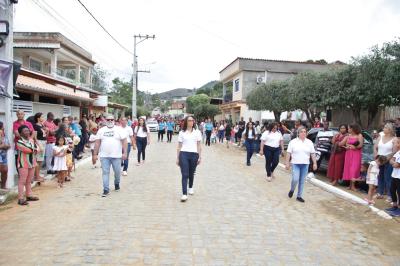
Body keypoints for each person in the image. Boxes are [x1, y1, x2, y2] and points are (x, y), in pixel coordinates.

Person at [93, 114, 127, 197]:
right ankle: (106, 189)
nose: (110, 121)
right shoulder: (101, 130)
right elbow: (97, 143)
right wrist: (95, 154)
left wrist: (125, 153)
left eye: (112, 120)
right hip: (104, 156)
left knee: (117, 172)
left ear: (114, 121)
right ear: (105, 121)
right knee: (105, 172)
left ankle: (117, 183)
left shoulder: (119, 129)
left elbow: (124, 141)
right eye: (108, 120)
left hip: (117, 156)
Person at [285, 127, 317, 203]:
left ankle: (299, 196)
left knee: (302, 181)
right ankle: (292, 190)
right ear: (298, 133)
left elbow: (312, 153)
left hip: (305, 164)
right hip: (295, 164)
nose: (303, 133)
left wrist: (315, 163)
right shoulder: (293, 142)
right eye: (301, 132)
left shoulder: (309, 142)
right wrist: (287, 163)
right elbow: (288, 153)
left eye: (305, 132)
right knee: (295, 179)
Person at [176, 116, 202, 202]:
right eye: (189, 120)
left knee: (191, 173)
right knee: (185, 174)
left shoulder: (197, 132)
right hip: (184, 154)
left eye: (192, 120)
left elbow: (199, 145)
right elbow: (179, 146)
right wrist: (177, 158)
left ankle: (190, 187)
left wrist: (199, 156)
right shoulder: (182, 133)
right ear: (186, 122)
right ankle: (184, 194)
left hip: (194, 154)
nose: (191, 122)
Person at [16, 125, 39, 206]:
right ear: (20, 133)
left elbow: (38, 149)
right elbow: (28, 150)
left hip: (32, 162)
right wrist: (34, 149)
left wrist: (34, 149)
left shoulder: (31, 140)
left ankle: (29, 195)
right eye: (25, 131)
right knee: (22, 181)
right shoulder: (19, 142)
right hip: (23, 163)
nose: (27, 132)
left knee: (29, 180)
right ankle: (20, 198)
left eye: (28, 130)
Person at [374, 123, 396, 201]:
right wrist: (376, 157)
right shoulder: (380, 137)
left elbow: (394, 151)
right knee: (380, 176)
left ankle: (390, 195)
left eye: (386, 127)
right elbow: (375, 147)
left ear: (390, 130)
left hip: (388, 160)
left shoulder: (394, 139)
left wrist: (386, 159)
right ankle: (380, 193)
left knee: (388, 178)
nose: (384, 128)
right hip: (379, 159)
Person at [341, 124, 364, 191]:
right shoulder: (349, 136)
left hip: (356, 154)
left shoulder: (359, 135)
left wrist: (355, 147)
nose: (348, 130)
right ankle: (350, 185)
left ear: (353, 129)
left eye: (349, 128)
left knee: (354, 169)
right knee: (349, 169)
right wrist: (348, 146)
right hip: (348, 153)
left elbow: (360, 145)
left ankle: (353, 186)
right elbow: (346, 143)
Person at [387, 138, 400, 216]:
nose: (396, 144)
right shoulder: (398, 152)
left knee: (399, 192)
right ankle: (394, 205)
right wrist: (394, 163)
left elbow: (396, 164)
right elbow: (391, 160)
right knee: (392, 190)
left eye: (398, 143)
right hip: (395, 175)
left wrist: (394, 163)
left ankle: (399, 209)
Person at [32, 112, 47, 183]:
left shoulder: (41, 126)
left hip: (43, 143)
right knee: (38, 160)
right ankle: (36, 176)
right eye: (42, 117)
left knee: (40, 160)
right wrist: (39, 145)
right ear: (38, 118)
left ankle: (38, 175)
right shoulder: (35, 126)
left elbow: (44, 135)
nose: (43, 118)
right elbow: (34, 137)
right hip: (39, 143)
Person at [0, 122, 10, 189]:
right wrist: (2, 146)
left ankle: (3, 187)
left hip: (4, 155)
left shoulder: (4, 135)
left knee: (5, 171)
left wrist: (6, 146)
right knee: (4, 169)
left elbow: (8, 145)